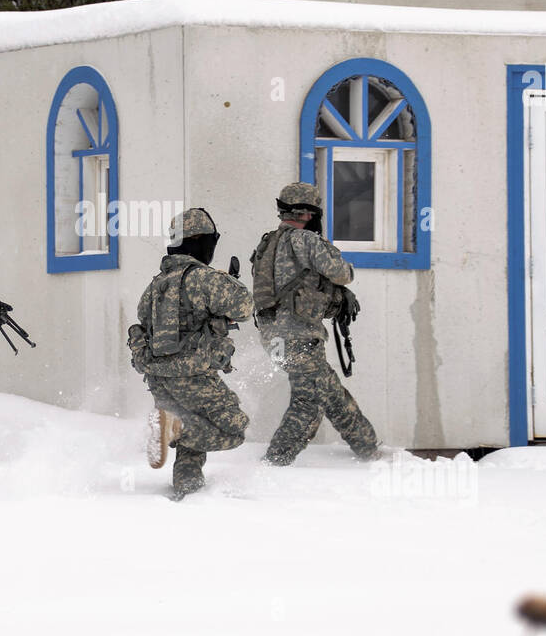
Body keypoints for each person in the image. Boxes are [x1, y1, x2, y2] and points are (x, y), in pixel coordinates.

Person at [127, 208, 253, 500]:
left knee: (192, 431)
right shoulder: (204, 278)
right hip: (193, 375)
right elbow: (244, 307)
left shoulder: (155, 284)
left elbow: (148, 324)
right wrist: (228, 283)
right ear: (200, 241)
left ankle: (188, 489)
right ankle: (170, 430)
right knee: (235, 428)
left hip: (159, 378)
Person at [250, 182, 379, 465]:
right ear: (308, 213)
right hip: (299, 335)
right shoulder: (305, 241)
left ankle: (368, 447)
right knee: (309, 402)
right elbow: (342, 274)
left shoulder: (266, 243)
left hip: (273, 337)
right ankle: (273, 464)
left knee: (329, 391)